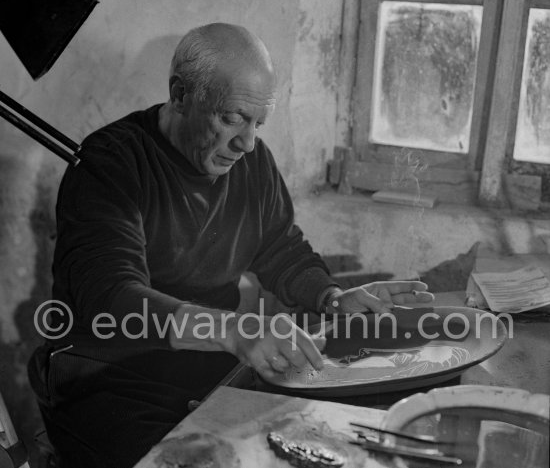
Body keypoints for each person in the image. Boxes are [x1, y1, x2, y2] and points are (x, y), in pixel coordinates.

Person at [28, 23, 433, 468]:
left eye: (258, 122)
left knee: (324, 444)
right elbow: (112, 298)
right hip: (107, 377)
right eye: (231, 117)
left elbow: (280, 248)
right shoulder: (111, 165)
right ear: (180, 95)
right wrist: (232, 330)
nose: (247, 142)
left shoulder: (251, 160)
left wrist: (332, 298)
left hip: (206, 369)